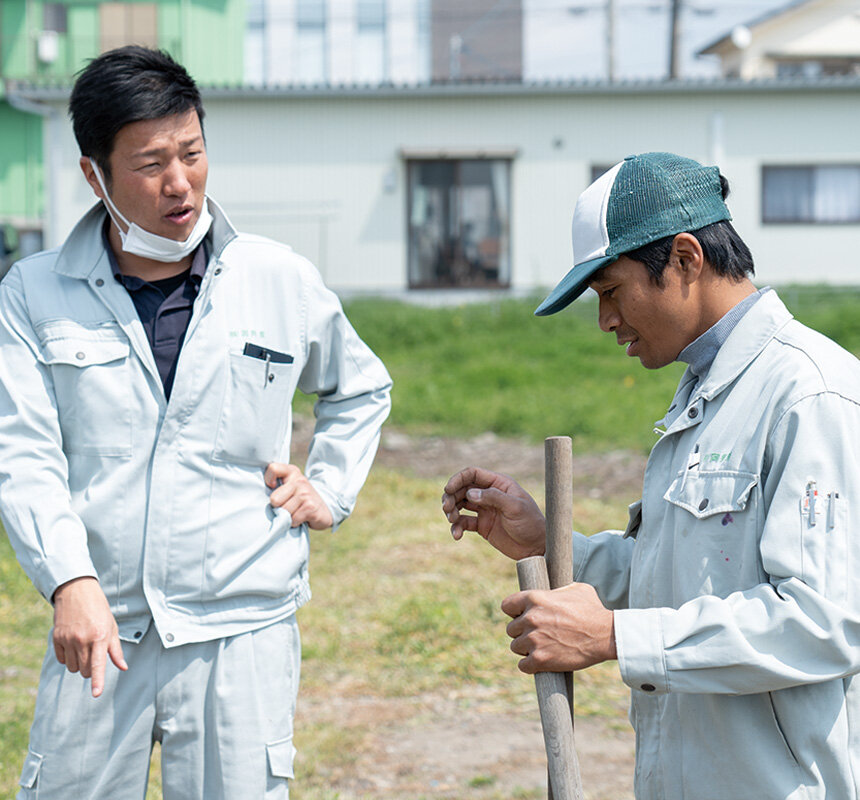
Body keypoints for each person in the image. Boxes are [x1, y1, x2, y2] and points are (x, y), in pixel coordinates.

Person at [0, 46, 391, 799]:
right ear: (95, 176)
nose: (178, 182)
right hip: (101, 623)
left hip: (240, 625)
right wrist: (68, 580)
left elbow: (360, 387)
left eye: (192, 153)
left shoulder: (276, 279)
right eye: (150, 164)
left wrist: (330, 486)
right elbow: (22, 451)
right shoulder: (35, 294)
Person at [442, 152, 860, 799]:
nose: (605, 321)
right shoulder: (705, 395)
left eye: (611, 292)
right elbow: (679, 576)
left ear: (686, 259)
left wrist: (615, 636)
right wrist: (551, 543)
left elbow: (826, 624)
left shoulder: (809, 395)